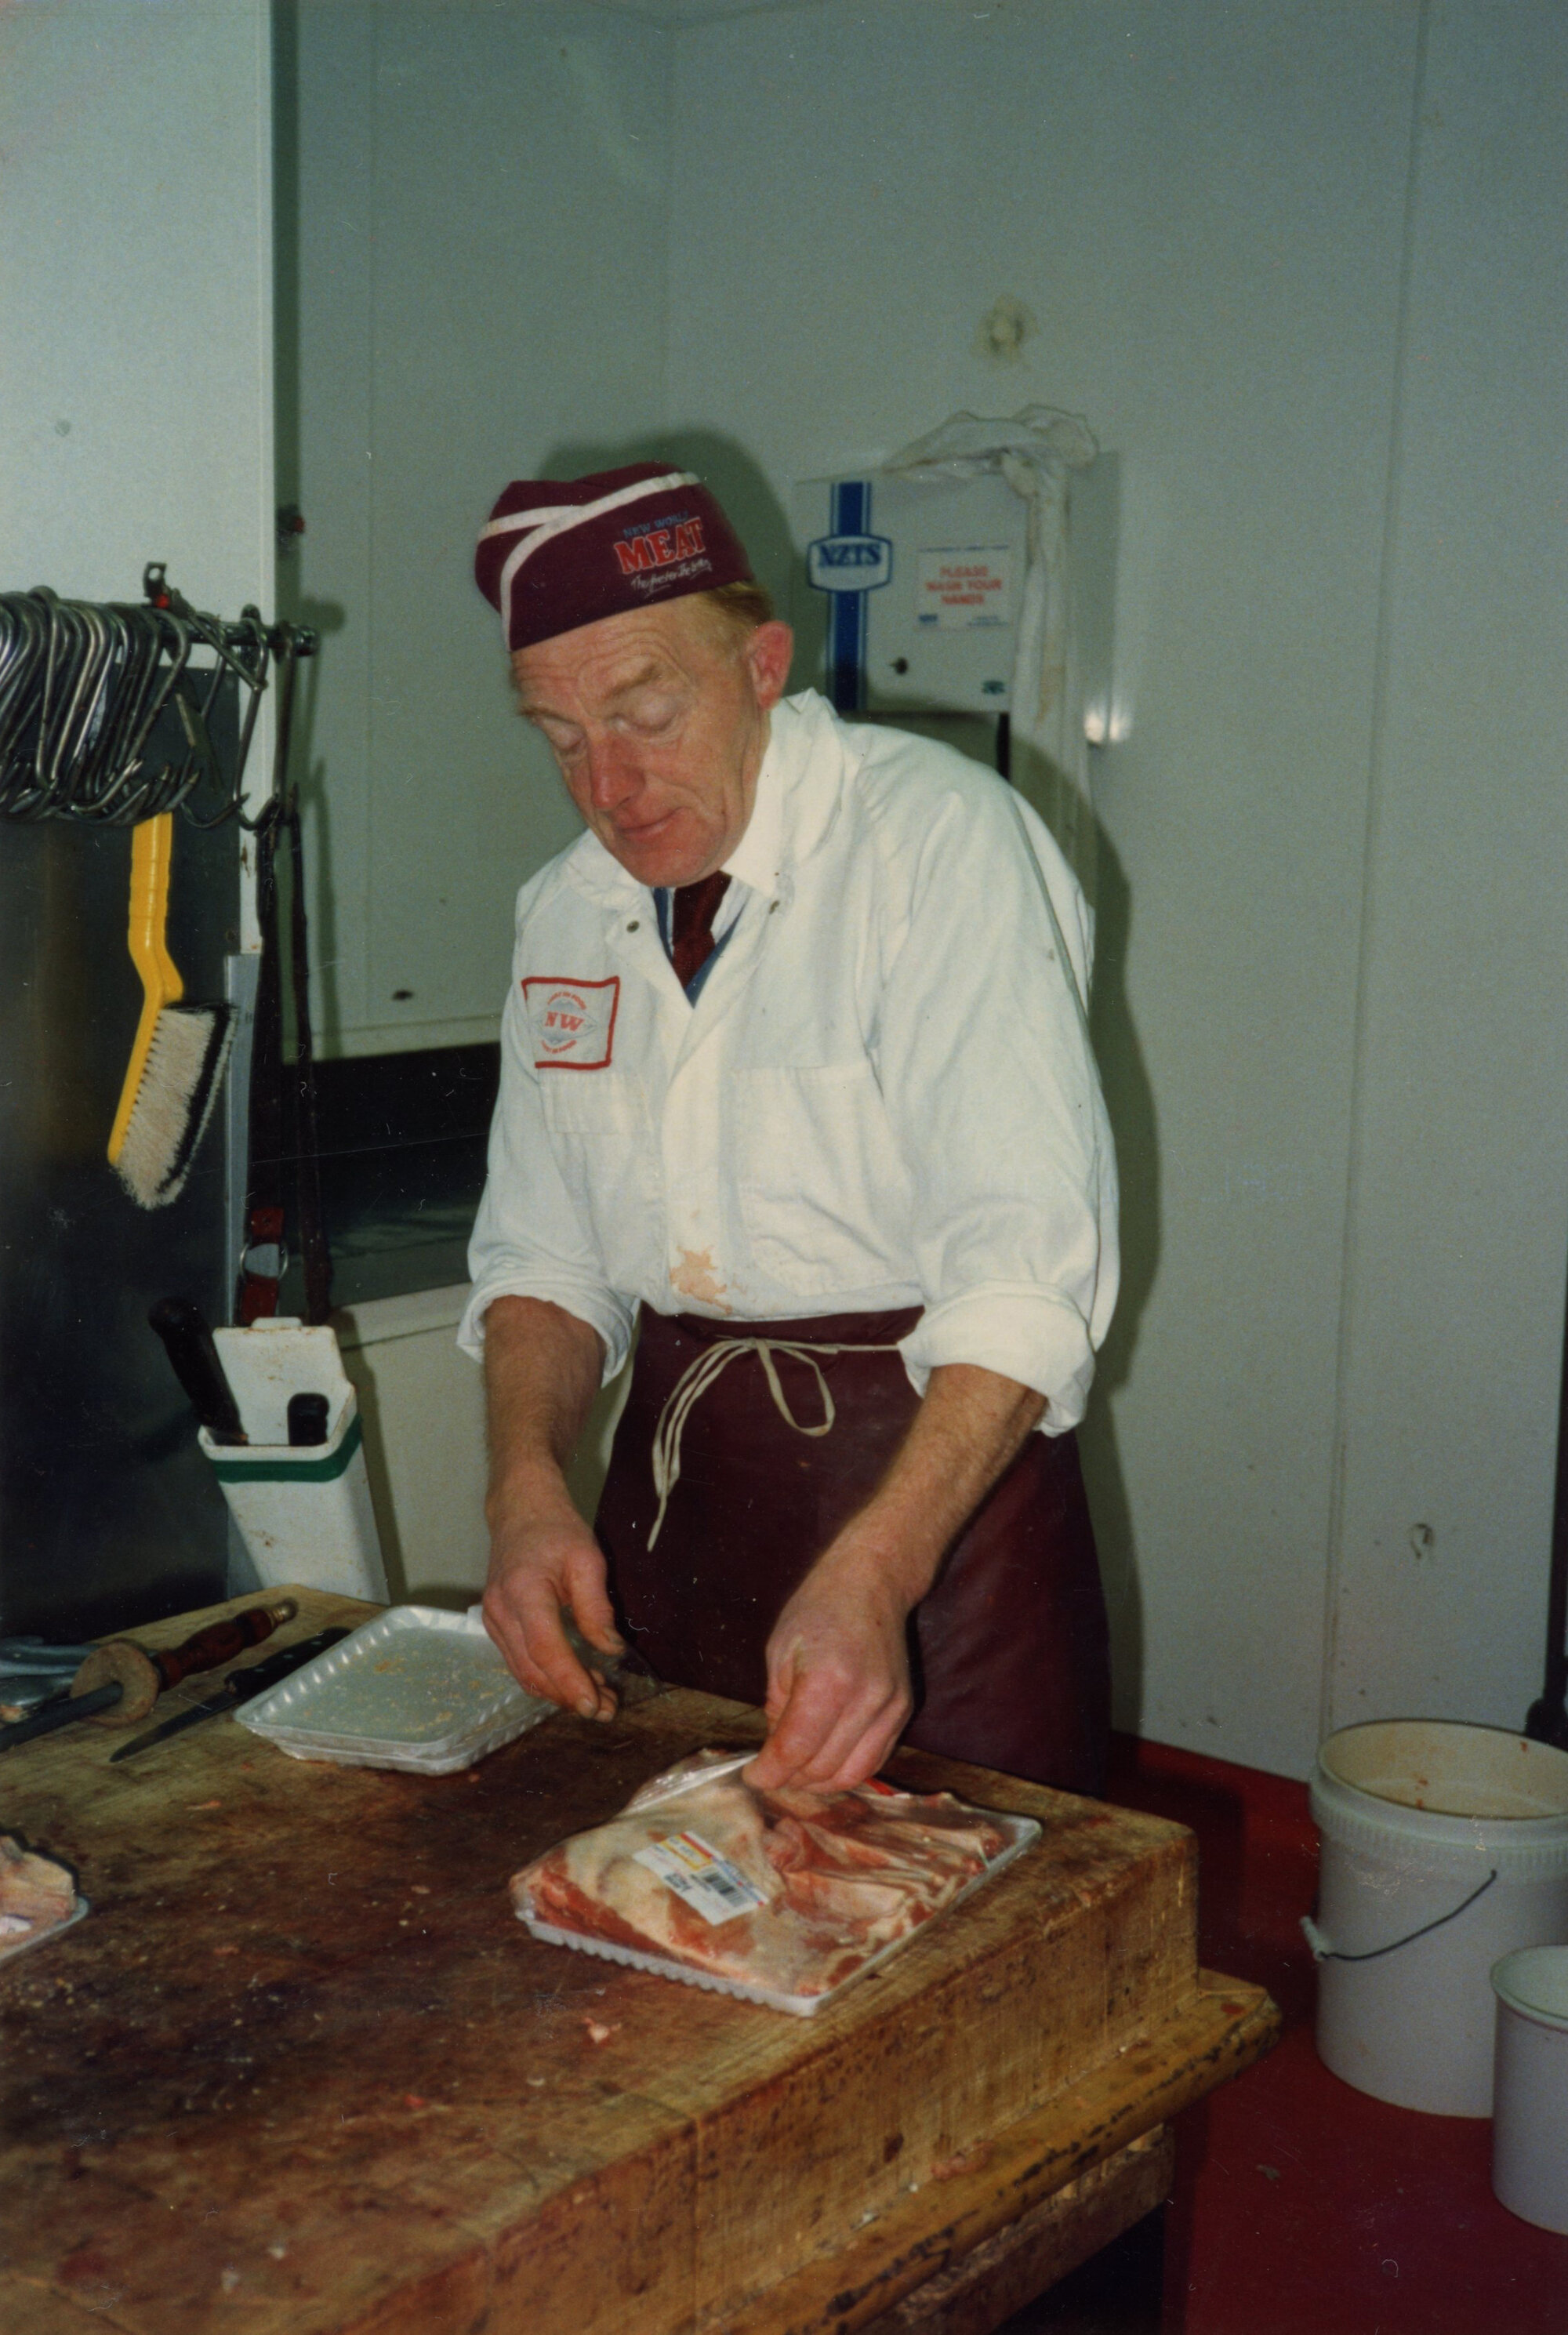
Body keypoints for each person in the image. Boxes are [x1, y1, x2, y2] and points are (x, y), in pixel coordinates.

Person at [461, 462, 1118, 1796]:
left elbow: (1022, 1277)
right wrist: (524, 1483)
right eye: (562, 735)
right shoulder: (566, 911)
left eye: (648, 710)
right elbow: (542, 1255)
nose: (612, 780)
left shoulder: (935, 845)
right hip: (677, 1501)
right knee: (678, 1922)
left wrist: (879, 1568)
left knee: (948, 1938)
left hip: (932, 1506)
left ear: (763, 666)